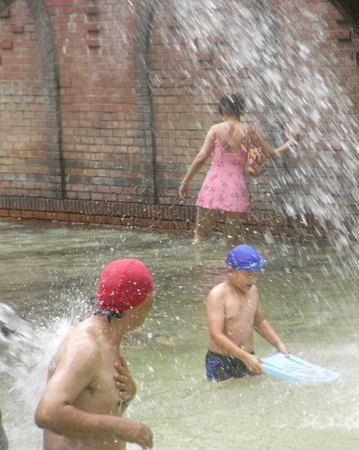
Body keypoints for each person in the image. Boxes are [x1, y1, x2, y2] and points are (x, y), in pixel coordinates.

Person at [34, 259, 155, 449]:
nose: (153, 300)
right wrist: (119, 425)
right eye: (150, 293)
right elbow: (47, 413)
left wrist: (127, 395)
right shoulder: (87, 347)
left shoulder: (107, 339)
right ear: (138, 303)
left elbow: (93, 407)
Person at [179, 93, 296, 246]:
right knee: (230, 241)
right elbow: (272, 154)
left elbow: (201, 158)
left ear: (225, 111)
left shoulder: (215, 129)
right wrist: (290, 142)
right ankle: (230, 268)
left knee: (200, 238)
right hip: (236, 187)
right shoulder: (249, 130)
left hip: (212, 186)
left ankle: (200, 267)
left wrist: (185, 182)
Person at [205, 245, 291, 382]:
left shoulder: (252, 291)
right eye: (248, 274)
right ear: (230, 271)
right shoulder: (218, 295)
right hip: (221, 360)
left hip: (249, 357)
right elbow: (216, 335)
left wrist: (278, 344)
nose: (253, 279)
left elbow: (260, 322)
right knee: (226, 397)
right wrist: (245, 357)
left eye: (257, 273)